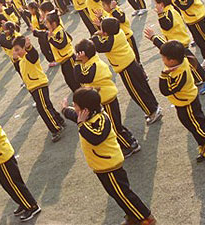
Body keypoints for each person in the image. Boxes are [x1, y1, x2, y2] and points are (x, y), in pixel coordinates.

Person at [61, 88, 155, 225]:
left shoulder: (101, 119)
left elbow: (95, 137)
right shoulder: (87, 116)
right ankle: (132, 215)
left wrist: (81, 124)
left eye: (75, 105)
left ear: (85, 109)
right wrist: (64, 110)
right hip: (101, 167)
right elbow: (74, 116)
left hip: (110, 166)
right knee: (116, 195)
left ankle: (146, 218)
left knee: (123, 194)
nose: (73, 107)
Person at [158, 40, 205, 165]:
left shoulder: (179, 73)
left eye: (163, 58)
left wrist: (163, 75)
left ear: (172, 60)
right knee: (191, 127)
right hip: (182, 103)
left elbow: (165, 90)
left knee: (199, 129)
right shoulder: (178, 63)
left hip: (188, 104)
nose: (163, 61)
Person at [74, 39, 140, 158]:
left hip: (107, 99)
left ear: (83, 54)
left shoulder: (93, 65)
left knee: (114, 127)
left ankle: (129, 146)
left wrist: (77, 62)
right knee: (116, 123)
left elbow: (81, 77)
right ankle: (130, 140)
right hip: (106, 98)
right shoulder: (91, 62)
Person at [92, 17, 162, 125]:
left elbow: (101, 47)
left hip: (126, 69)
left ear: (106, 32)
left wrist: (95, 36)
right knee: (144, 87)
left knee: (136, 92)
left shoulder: (111, 41)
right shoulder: (118, 32)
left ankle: (152, 112)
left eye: (102, 29)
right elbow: (107, 38)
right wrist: (102, 30)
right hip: (132, 63)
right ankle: (154, 106)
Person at [143, 0, 205, 94]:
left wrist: (160, 15)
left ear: (161, 4)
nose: (155, 6)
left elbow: (167, 25)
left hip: (179, 44)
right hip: (179, 41)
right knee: (189, 64)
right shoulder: (171, 9)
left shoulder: (167, 13)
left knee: (193, 64)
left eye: (156, 3)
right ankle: (198, 80)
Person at [12, 36, 65, 142]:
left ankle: (56, 129)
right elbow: (19, 69)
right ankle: (59, 120)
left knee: (42, 109)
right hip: (33, 87)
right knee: (47, 105)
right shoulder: (22, 60)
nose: (16, 52)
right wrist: (14, 60)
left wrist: (29, 47)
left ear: (24, 48)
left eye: (17, 49)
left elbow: (34, 55)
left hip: (39, 85)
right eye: (14, 50)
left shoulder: (29, 56)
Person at [45, 11, 80, 92]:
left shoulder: (60, 31)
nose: (46, 25)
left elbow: (61, 44)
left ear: (53, 24)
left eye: (47, 23)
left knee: (75, 80)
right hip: (63, 61)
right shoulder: (54, 32)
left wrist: (51, 38)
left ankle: (83, 94)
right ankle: (78, 95)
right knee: (69, 81)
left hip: (69, 59)